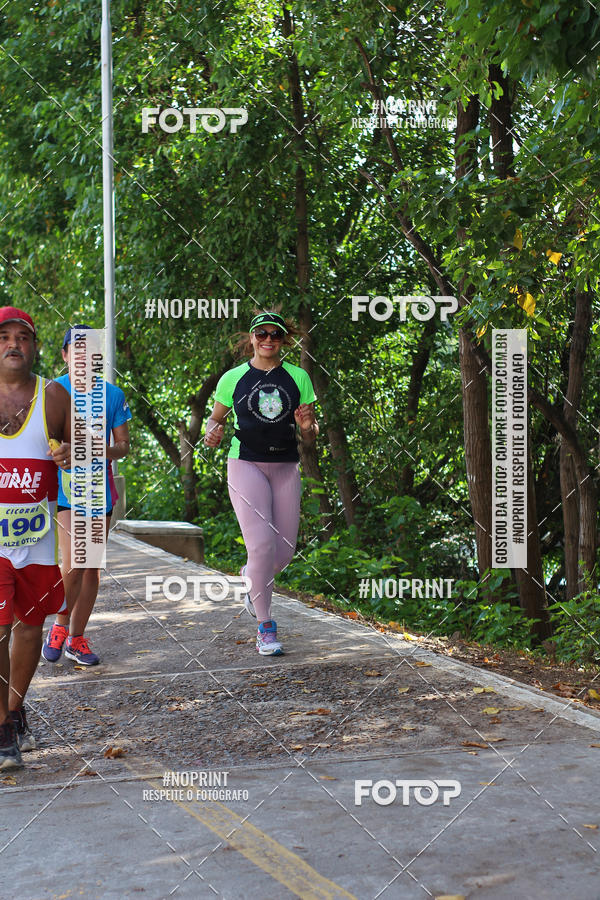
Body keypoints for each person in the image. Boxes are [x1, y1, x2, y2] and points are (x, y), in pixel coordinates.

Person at [204, 311, 318, 655]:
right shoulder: (233, 378)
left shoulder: (298, 377)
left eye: (275, 335)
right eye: (262, 334)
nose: (268, 340)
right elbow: (215, 419)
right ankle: (266, 627)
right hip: (246, 464)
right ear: (252, 338)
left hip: (285, 467)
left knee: (283, 553)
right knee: (262, 547)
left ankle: (249, 575)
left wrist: (307, 426)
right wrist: (212, 432)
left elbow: (311, 433)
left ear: (284, 340)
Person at [0, 307, 71, 770]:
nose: (13, 344)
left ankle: (12, 712)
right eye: (4, 336)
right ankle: (2, 730)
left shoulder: (54, 397)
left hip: (36, 538)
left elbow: (82, 452)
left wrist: (69, 454)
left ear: (35, 347)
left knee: (29, 627)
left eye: (22, 337)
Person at [41, 325, 131, 667]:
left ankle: (76, 639)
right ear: (65, 355)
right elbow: (41, 439)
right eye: (75, 349)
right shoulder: (52, 391)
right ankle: (59, 626)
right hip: (66, 488)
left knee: (92, 567)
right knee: (76, 562)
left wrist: (99, 449)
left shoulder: (113, 395)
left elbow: (123, 446)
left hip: (99, 489)